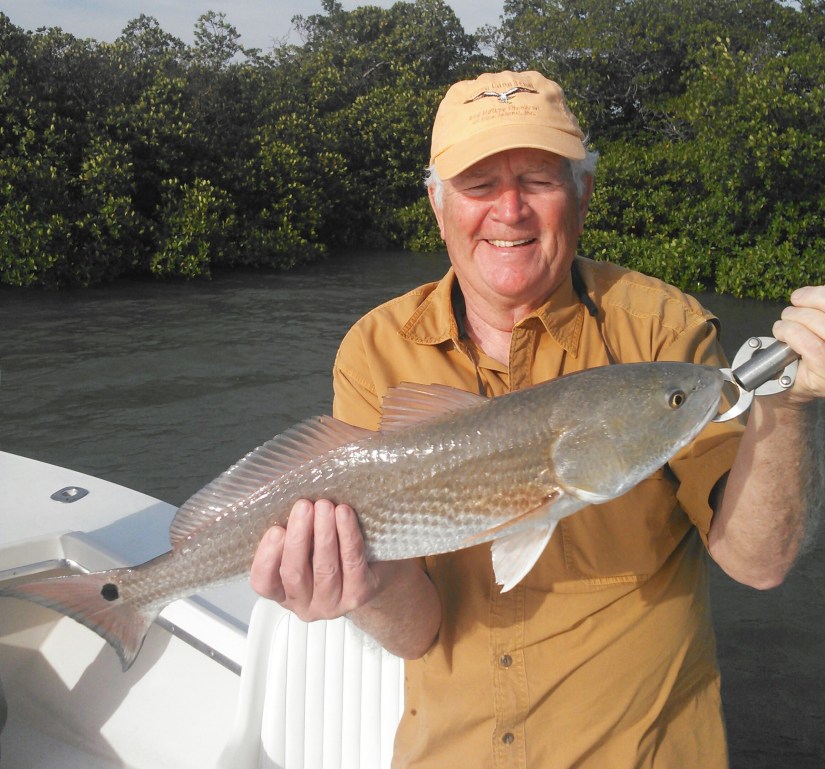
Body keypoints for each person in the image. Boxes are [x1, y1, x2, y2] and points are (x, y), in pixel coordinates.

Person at [250, 71, 823, 768]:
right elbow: (414, 631)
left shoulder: (660, 332)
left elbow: (757, 562)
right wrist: (358, 584)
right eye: (478, 185)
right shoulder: (376, 348)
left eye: (539, 180)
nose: (509, 209)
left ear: (582, 194)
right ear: (437, 205)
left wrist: (785, 407)